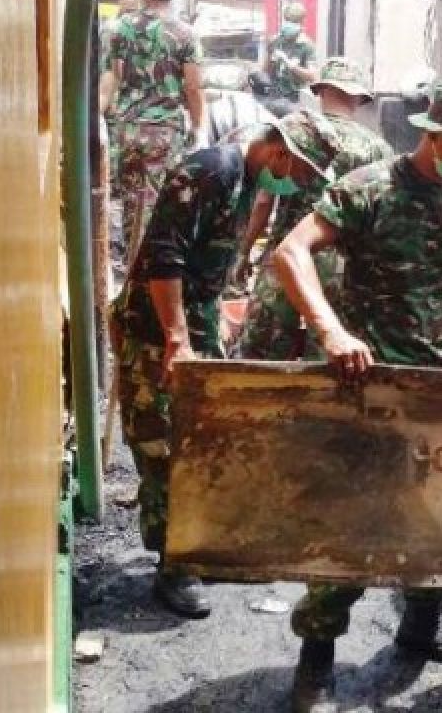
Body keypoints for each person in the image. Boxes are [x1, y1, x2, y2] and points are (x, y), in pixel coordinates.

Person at [272, 79, 442, 713]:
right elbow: (290, 251)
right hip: (370, 388)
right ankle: (317, 662)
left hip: (439, 389)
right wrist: (331, 330)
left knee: (436, 514)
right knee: (351, 522)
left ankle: (422, 627)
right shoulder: (370, 190)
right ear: (433, 134)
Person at [110, 111, 364, 619]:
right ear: (278, 152)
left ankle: (197, 547)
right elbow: (165, 257)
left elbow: (209, 256)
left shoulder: (244, 181)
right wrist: (178, 339)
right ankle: (173, 566)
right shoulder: (211, 170)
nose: (300, 183)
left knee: (205, 436)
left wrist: (212, 319)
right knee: (163, 443)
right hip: (155, 328)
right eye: (301, 172)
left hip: (193, 317)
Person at [236, 58, 392, 360]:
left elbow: (265, 201)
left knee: (261, 358)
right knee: (329, 360)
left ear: (320, 90)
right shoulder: (378, 150)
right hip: (341, 271)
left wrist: (244, 252)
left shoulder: (298, 133)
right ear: (359, 98)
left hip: (284, 259)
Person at [102, 0, 206, 267]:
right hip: (164, 132)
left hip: (128, 129)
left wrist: (97, 119)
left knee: (133, 206)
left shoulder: (118, 29)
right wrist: (198, 128)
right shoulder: (184, 34)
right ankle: (150, 282)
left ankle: (132, 273)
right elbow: (193, 87)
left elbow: (114, 77)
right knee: (161, 208)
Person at [262, 1, 317, 107]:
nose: (289, 25)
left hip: (295, 99)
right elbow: (265, 71)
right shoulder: (276, 41)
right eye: (287, 21)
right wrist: (269, 55)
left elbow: (312, 76)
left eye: (293, 22)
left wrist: (292, 66)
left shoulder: (306, 45)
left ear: (301, 23)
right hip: (274, 96)